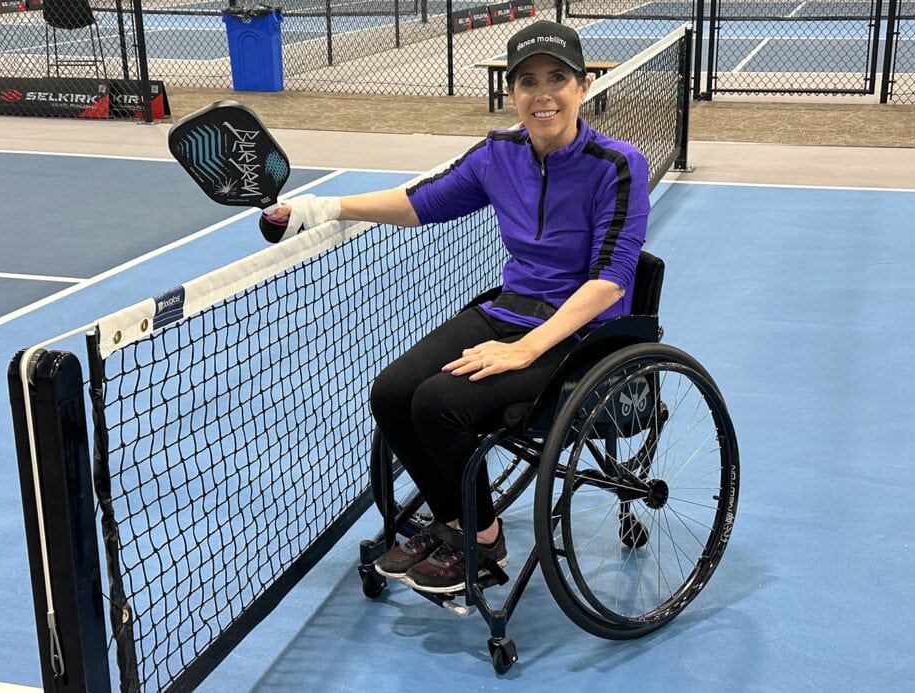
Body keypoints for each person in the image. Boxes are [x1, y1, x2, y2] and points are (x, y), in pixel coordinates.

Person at [259, 20, 650, 594]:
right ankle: (456, 522)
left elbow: (611, 280)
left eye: (557, 78)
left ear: (583, 86)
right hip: (510, 308)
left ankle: (484, 542)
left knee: (440, 403)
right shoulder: (498, 153)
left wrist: (526, 349)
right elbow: (419, 203)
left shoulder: (618, 164)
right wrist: (321, 208)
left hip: (580, 332)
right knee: (392, 393)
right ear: (511, 91)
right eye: (528, 81)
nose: (543, 94)